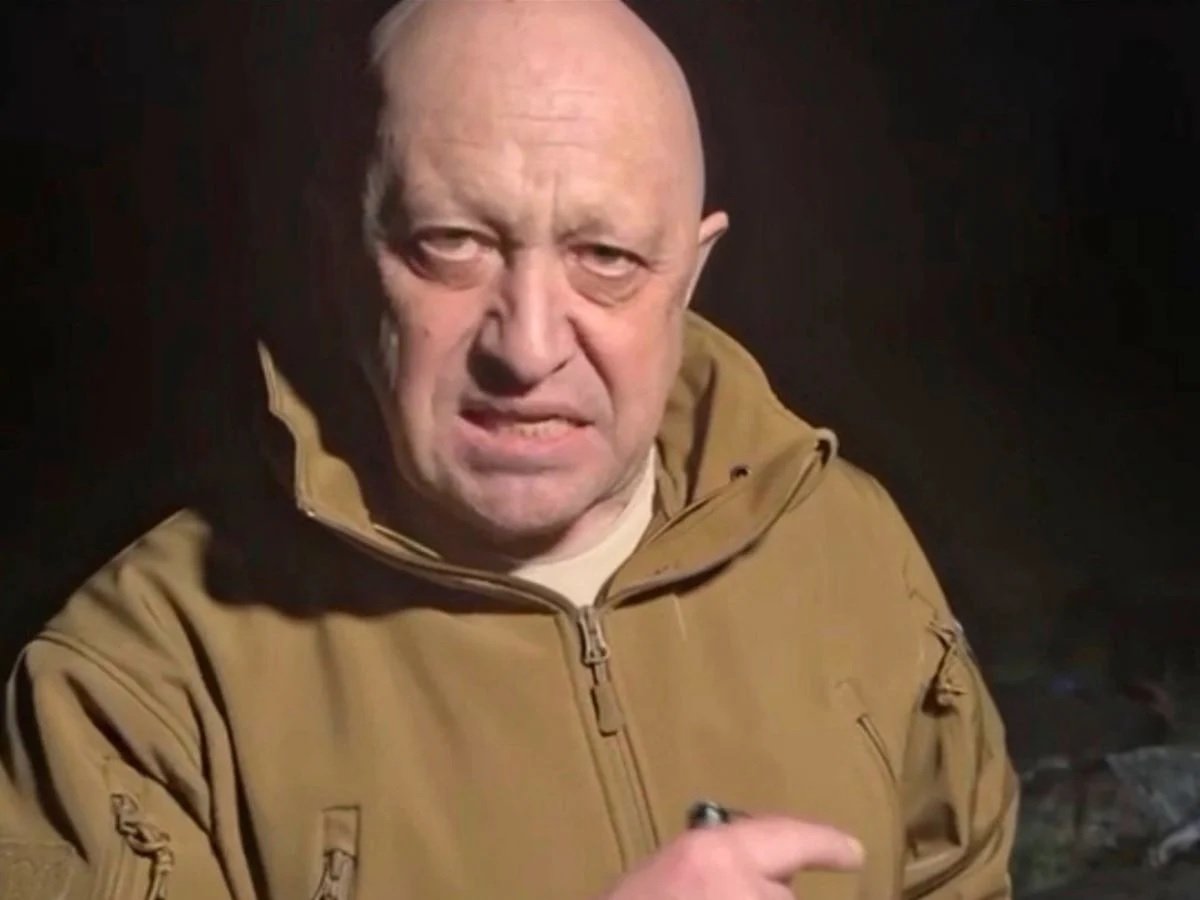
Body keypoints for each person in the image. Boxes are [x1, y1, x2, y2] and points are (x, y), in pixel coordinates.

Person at [0, 1, 1018, 897]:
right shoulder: (137, 687)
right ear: (342, 252)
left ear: (691, 270)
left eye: (606, 257)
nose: (527, 347)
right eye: (451, 244)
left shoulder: (847, 548)